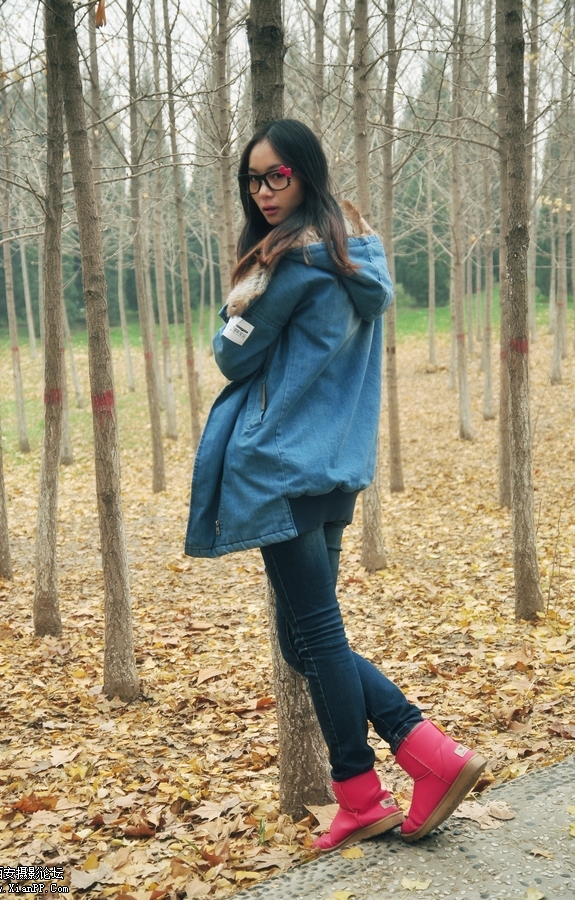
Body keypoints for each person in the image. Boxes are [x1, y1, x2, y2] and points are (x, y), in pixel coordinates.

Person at [185, 119, 486, 851]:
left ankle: (378, 783)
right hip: (335, 467)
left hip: (280, 467)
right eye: (253, 179)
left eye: (277, 176)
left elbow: (231, 358)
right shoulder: (358, 255)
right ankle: (412, 761)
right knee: (305, 638)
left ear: (306, 174)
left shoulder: (288, 265)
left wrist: (238, 303)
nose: (263, 192)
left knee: (315, 633)